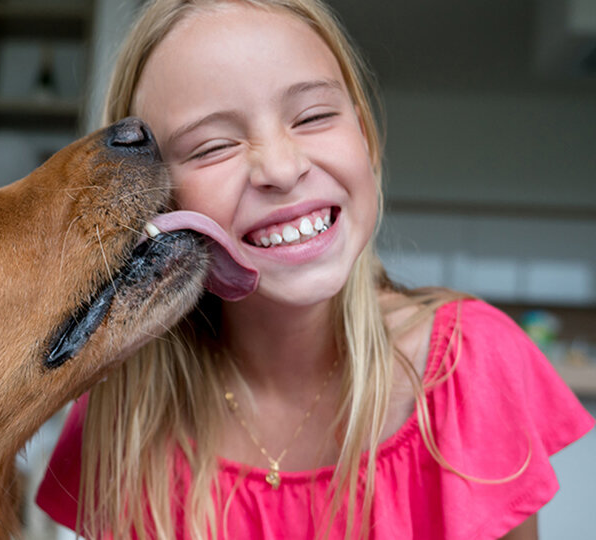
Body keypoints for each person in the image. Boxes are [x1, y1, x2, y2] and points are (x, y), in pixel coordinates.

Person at [35, 1, 595, 538]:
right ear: (153, 201)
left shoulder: (472, 369)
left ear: (367, 140)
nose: (280, 168)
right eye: (212, 147)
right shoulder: (124, 414)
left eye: (313, 116)